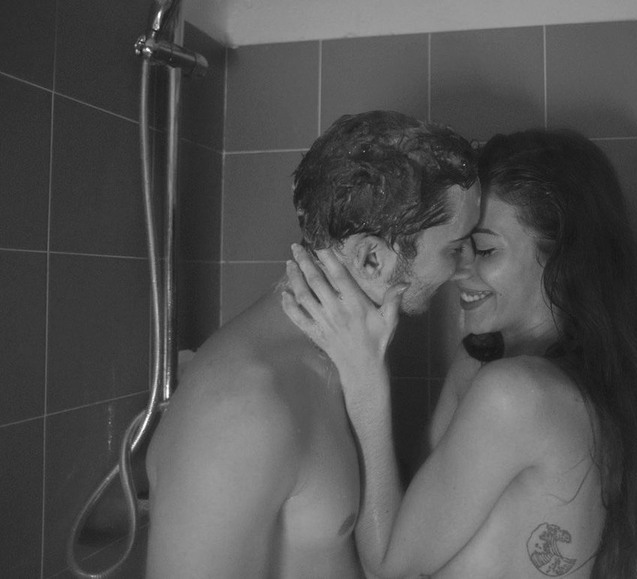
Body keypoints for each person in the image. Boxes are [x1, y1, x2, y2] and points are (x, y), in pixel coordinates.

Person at [282, 128, 637, 578]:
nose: (459, 269)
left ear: (564, 259)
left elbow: (389, 567)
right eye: (460, 246)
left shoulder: (517, 394)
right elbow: (414, 514)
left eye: (486, 250)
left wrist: (366, 381)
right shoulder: (482, 362)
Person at [144, 110, 481, 578]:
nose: (466, 266)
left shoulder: (347, 356)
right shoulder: (240, 410)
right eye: (454, 248)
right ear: (371, 259)